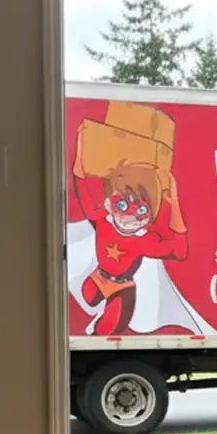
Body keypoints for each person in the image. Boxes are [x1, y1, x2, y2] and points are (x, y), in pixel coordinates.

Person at [71, 135, 189, 336]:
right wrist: (80, 152)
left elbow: (179, 251)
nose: (130, 215)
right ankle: (99, 307)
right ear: (111, 198)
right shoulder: (102, 221)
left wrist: (174, 203)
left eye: (141, 209)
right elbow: (82, 192)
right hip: (99, 277)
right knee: (88, 295)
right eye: (123, 204)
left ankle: (105, 316)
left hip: (121, 287)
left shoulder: (144, 240)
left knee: (105, 330)